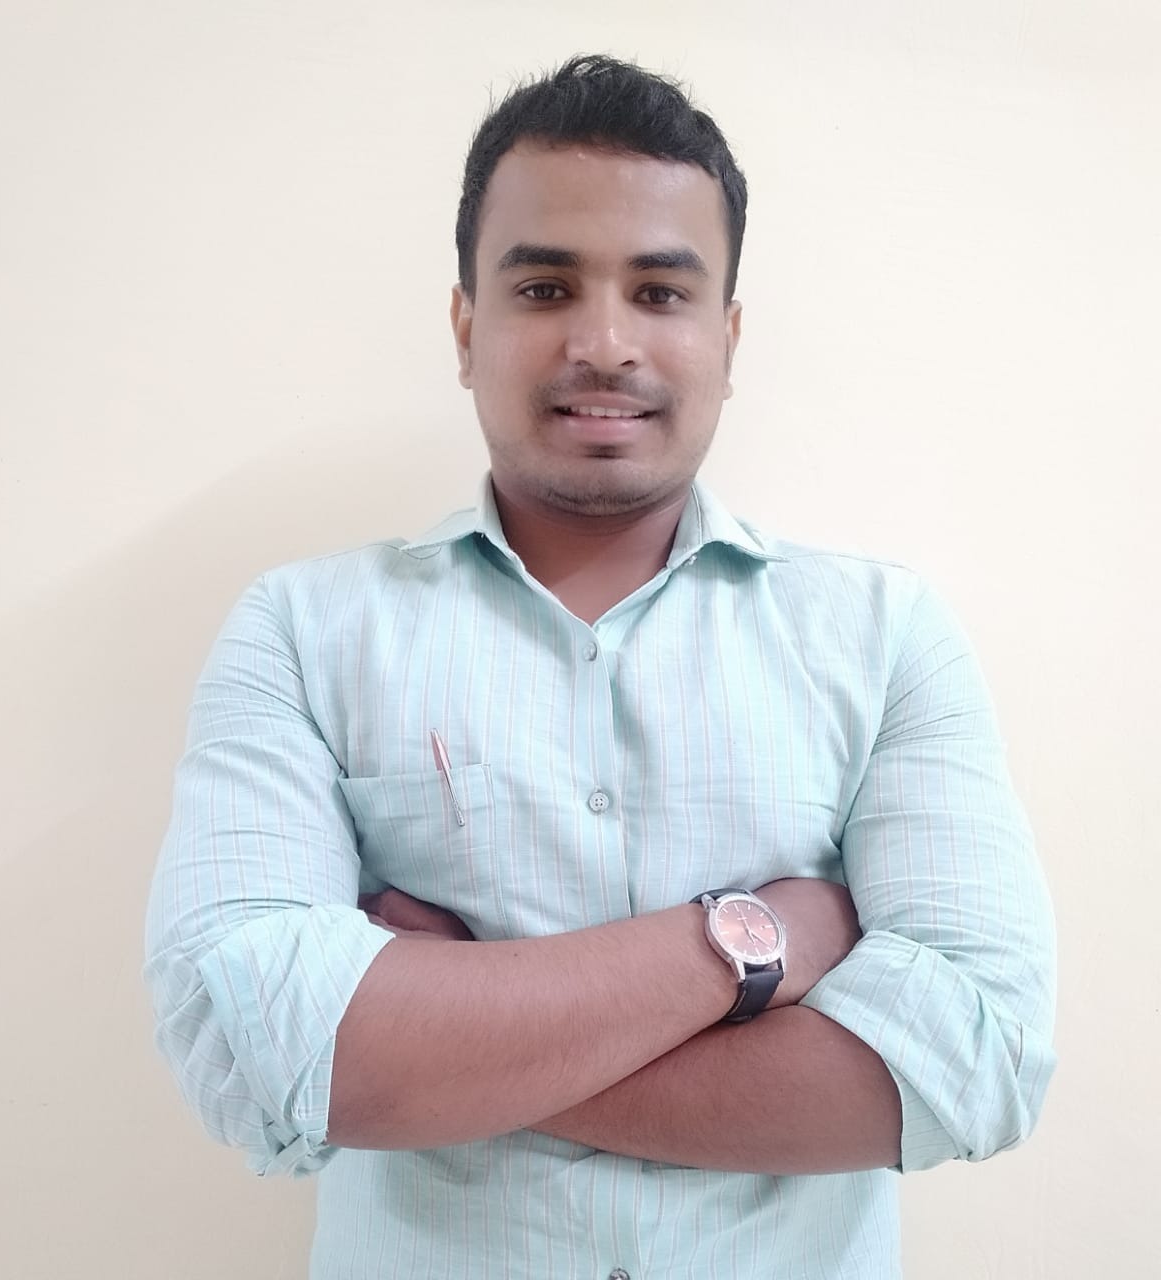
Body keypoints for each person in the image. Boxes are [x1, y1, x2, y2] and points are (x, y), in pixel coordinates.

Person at [145, 54, 1056, 1279]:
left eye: (661, 291)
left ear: (727, 337)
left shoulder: (883, 635)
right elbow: (250, 1046)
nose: (604, 341)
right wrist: (748, 943)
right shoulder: (304, 631)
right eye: (544, 286)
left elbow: (978, 1055)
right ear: (467, 327)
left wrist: (452, 1026)